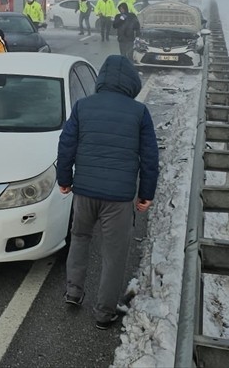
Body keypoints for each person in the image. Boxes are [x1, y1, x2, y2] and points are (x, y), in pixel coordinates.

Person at [56, 55, 158, 329]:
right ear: (131, 83)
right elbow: (149, 158)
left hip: (85, 192)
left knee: (79, 239)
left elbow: (66, 145)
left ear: (102, 79)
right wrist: (145, 194)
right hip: (119, 198)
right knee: (114, 255)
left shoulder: (83, 106)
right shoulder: (139, 113)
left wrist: (64, 179)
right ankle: (104, 313)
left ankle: (74, 292)